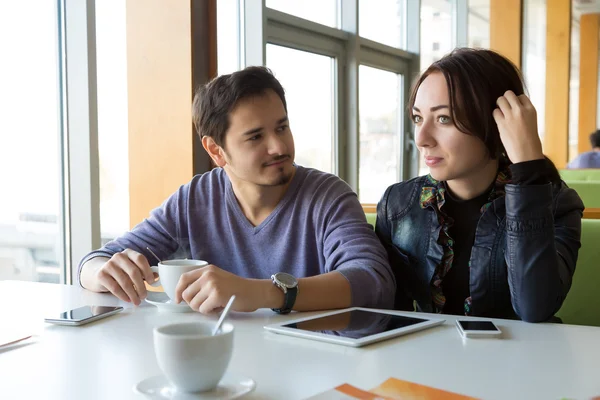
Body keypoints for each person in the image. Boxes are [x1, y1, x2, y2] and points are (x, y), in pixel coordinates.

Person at [79, 66, 395, 314]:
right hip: (226, 365)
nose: (279, 146)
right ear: (216, 151)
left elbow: (373, 281)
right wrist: (102, 271)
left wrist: (257, 292)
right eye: (256, 137)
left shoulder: (328, 196)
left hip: (316, 367)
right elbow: (96, 262)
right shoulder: (195, 199)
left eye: (282, 127)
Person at [376, 48, 584, 323]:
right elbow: (388, 311)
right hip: (426, 358)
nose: (422, 138)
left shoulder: (555, 203)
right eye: (418, 118)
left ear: (496, 122)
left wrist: (528, 167)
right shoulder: (399, 203)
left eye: (443, 118)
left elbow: (535, 307)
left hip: (517, 361)